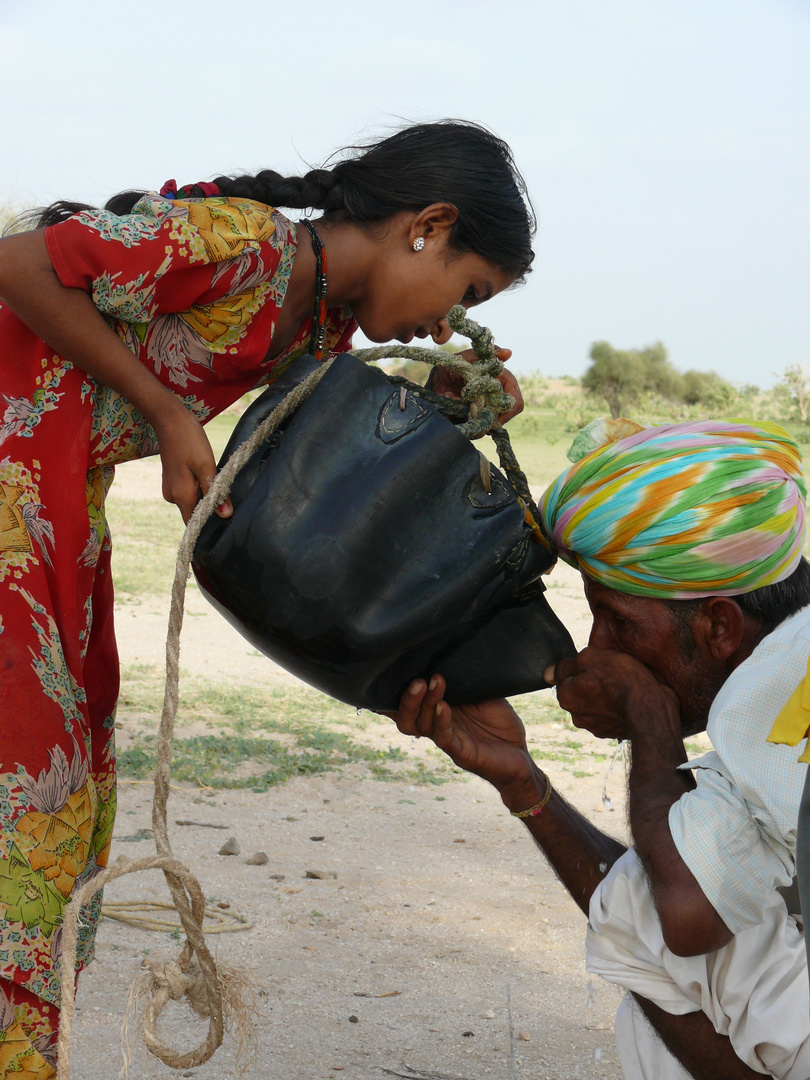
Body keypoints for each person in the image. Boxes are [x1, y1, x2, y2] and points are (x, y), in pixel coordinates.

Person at [0, 119, 533, 1076]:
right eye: (468, 293)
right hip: (13, 486)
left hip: (49, 499)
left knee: (64, 779)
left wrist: (454, 405)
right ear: (428, 225)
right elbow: (20, 264)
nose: (448, 325)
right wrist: (165, 413)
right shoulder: (250, 243)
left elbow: (305, 467)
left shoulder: (321, 327)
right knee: (26, 777)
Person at [393, 418, 810, 1080]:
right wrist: (524, 785)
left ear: (719, 625)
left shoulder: (783, 693)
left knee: (663, 928)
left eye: (618, 622)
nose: (597, 651)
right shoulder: (785, 670)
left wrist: (650, 712)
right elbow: (676, 880)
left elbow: (683, 919)